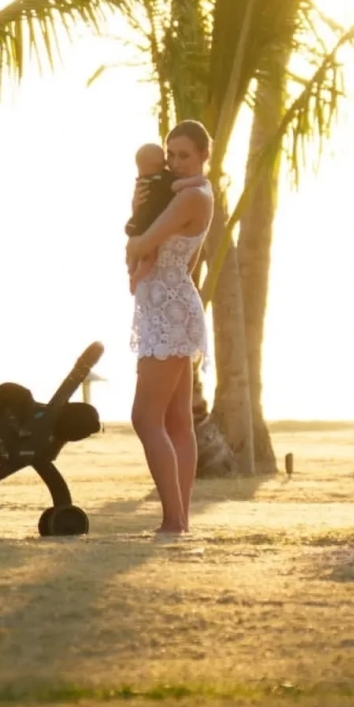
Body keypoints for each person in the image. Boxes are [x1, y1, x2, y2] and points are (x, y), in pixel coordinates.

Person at [126, 120, 215, 537]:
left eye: (185, 155)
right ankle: (178, 520)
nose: (176, 163)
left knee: (145, 417)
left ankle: (173, 520)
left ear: (203, 156)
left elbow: (143, 242)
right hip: (169, 302)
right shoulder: (186, 195)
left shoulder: (192, 197)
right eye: (171, 154)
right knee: (178, 420)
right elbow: (183, 259)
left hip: (169, 310)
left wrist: (136, 234)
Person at [125, 142, 206, 293]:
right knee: (150, 256)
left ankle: (132, 268)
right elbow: (176, 186)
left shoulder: (142, 180)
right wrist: (198, 181)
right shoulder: (161, 179)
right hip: (148, 224)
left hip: (137, 224)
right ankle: (136, 278)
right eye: (167, 157)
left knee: (138, 253)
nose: (169, 163)